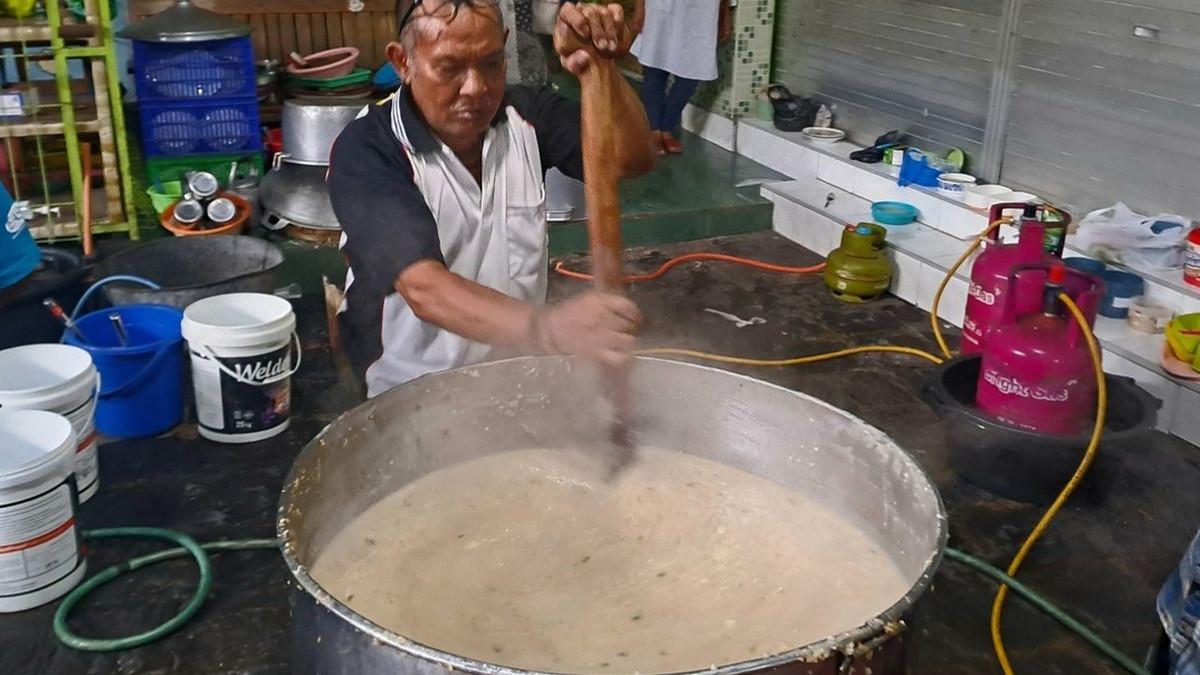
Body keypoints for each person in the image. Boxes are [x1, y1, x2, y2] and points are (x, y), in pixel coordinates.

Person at [329, 0, 656, 398]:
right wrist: (548, 328)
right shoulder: (369, 147)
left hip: (518, 379)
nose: (476, 88)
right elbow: (424, 288)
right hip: (411, 394)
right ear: (403, 62)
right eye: (449, 67)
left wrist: (600, 66)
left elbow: (632, 159)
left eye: (490, 63)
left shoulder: (527, 113)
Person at [631, 0, 731, 155]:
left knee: (693, 71)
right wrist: (639, 6)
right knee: (655, 65)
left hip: (703, 10)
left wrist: (725, 14)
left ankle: (666, 127)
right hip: (662, 6)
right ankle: (654, 129)